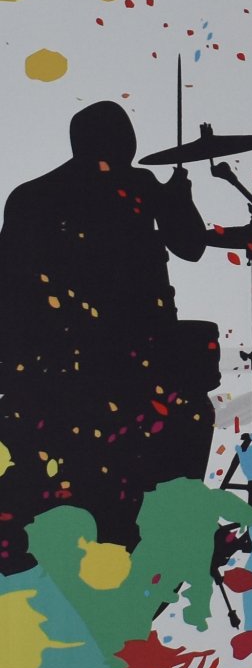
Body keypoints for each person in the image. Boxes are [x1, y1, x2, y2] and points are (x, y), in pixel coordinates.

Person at [0, 101, 217, 571]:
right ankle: (155, 533)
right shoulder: (138, 186)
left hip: (46, 363)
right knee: (187, 416)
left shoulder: (29, 196)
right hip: (128, 359)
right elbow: (191, 245)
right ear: (123, 143)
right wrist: (179, 198)